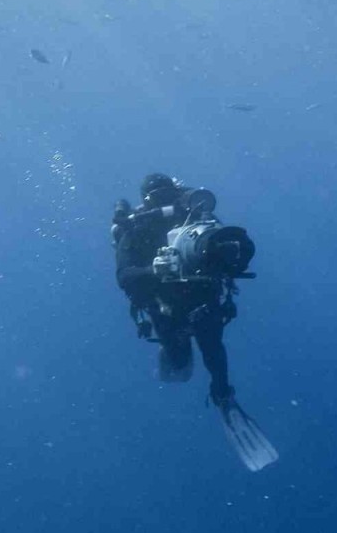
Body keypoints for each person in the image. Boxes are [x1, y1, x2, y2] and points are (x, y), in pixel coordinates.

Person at [111, 172, 278, 471]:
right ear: (146, 201)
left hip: (203, 299)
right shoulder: (135, 229)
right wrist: (154, 270)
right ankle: (177, 358)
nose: (165, 202)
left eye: (168, 194)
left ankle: (224, 396)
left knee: (212, 344)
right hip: (165, 308)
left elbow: (227, 248)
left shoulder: (196, 217)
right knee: (179, 362)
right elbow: (124, 277)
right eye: (157, 197)